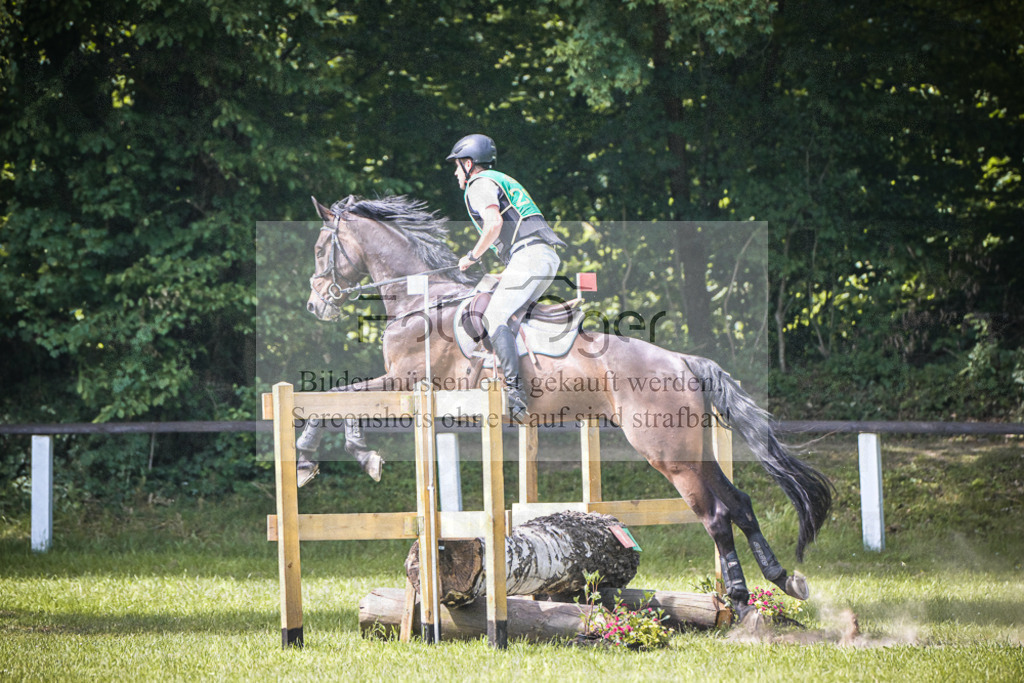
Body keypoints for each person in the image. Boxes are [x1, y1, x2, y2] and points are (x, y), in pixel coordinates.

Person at [446, 133, 566, 423]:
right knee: (510, 313)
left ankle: (515, 391)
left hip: (530, 256)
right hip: (541, 256)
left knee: (494, 316)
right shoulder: (501, 179)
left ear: (468, 164)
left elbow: (494, 223)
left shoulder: (478, 184)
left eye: (457, 166)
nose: (455, 173)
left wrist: (472, 256)